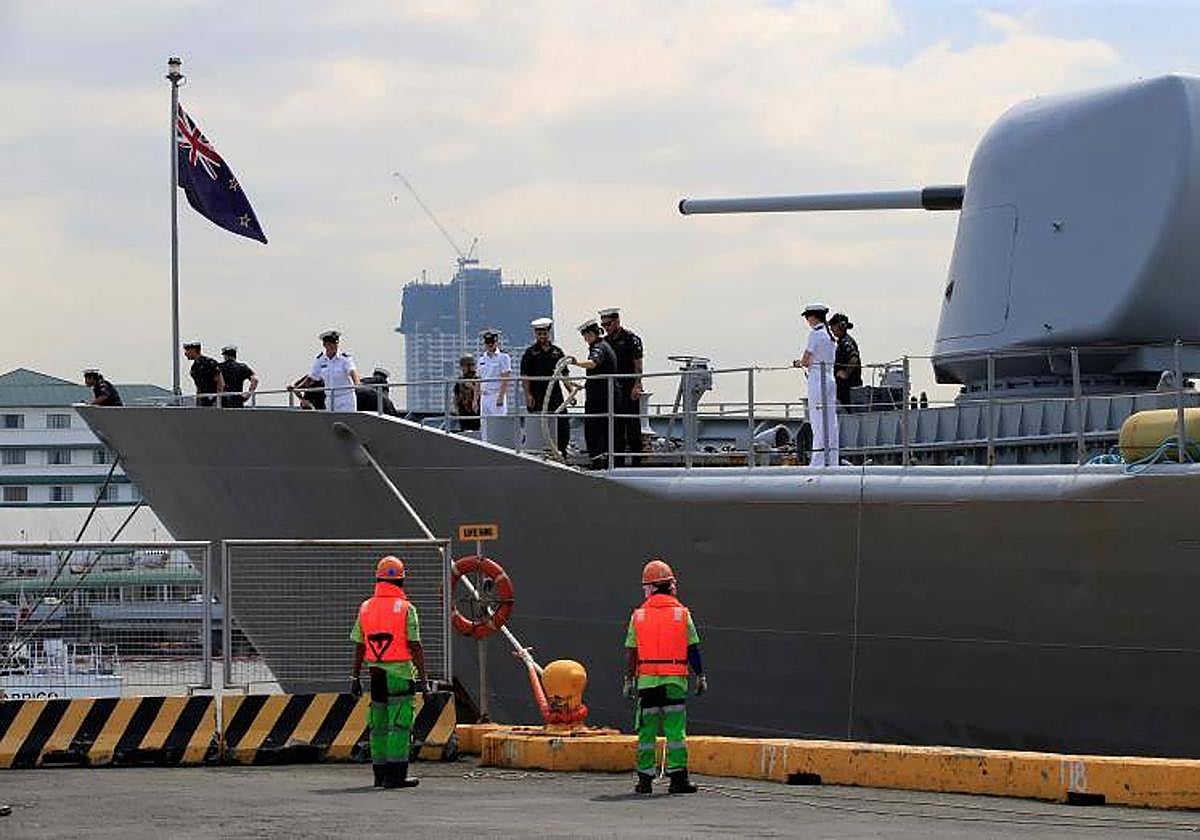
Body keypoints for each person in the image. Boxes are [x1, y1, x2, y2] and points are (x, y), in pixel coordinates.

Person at [624, 559, 706, 795]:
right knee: (675, 731)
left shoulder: (638, 616)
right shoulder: (682, 614)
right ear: (670, 585)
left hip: (647, 682)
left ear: (648, 588)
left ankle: (645, 781)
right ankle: (678, 779)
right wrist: (700, 676)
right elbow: (693, 649)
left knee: (647, 732)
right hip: (674, 681)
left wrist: (629, 680)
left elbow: (631, 652)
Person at [350, 555, 429, 790]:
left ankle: (379, 775)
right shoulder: (406, 609)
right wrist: (424, 680)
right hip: (400, 674)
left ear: (378, 579)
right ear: (402, 581)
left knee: (379, 724)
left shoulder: (365, 607)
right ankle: (395, 777)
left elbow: (360, 645)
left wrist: (355, 677)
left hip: (375, 673)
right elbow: (415, 645)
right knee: (400, 724)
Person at [792, 303, 839, 466]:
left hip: (818, 381)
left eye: (807, 317)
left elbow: (806, 360)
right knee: (831, 422)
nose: (807, 320)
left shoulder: (815, 334)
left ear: (813, 317)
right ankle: (832, 460)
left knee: (818, 422)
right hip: (830, 379)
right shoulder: (829, 335)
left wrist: (798, 363)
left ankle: (818, 462)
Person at [568, 319, 618, 468]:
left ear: (593, 334)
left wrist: (576, 363)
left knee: (594, 429)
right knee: (603, 428)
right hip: (604, 394)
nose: (585, 339)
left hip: (600, 398)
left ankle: (598, 461)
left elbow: (593, 363)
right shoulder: (604, 345)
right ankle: (604, 459)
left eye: (586, 335)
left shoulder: (598, 347)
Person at [599, 308, 644, 467]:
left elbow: (638, 364)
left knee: (632, 425)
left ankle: (637, 461)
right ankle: (616, 462)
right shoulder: (604, 342)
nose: (606, 327)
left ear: (617, 321)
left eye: (608, 324)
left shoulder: (631, 339)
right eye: (603, 325)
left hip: (628, 386)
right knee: (615, 426)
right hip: (613, 389)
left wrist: (637, 384)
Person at [520, 317, 571, 457]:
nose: (542, 336)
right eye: (539, 334)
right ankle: (539, 452)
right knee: (538, 424)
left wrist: (571, 391)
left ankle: (561, 451)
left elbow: (564, 374)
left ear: (549, 333)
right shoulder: (530, 353)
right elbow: (525, 377)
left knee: (562, 424)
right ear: (535, 334)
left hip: (555, 394)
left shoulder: (557, 352)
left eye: (544, 333)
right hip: (537, 395)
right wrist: (528, 395)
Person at [307, 330, 360, 412]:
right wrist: (296, 387)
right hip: (329, 398)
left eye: (335, 343)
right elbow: (312, 378)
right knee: (331, 419)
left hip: (345, 398)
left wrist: (357, 384)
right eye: (330, 344)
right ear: (324, 344)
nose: (333, 346)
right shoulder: (320, 360)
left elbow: (352, 371)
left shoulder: (344, 358)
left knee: (346, 419)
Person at [476, 329, 512, 442]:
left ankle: (499, 444)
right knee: (484, 425)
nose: (490, 345)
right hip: (484, 395)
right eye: (488, 342)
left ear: (496, 342)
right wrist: (475, 399)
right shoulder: (481, 359)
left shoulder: (503, 357)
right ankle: (485, 444)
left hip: (496, 394)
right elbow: (478, 380)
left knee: (498, 423)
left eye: (492, 342)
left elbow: (505, 378)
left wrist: (501, 396)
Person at [828, 314, 862, 410]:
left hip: (848, 385)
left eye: (833, 326)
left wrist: (846, 373)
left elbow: (854, 358)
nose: (832, 329)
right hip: (843, 385)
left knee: (848, 409)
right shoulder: (841, 342)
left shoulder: (846, 342)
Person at [183, 341, 224, 407]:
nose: (185, 353)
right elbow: (198, 386)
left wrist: (217, 400)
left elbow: (220, 382)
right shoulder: (194, 367)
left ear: (194, 350)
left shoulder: (209, 363)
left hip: (212, 398)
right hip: (202, 399)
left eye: (188, 350)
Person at [452, 354, 480, 432]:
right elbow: (456, 396)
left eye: (464, 366)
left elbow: (482, 392)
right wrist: (456, 408)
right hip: (463, 411)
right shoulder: (460, 380)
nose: (463, 369)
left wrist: (472, 387)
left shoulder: (477, 379)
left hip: (476, 413)